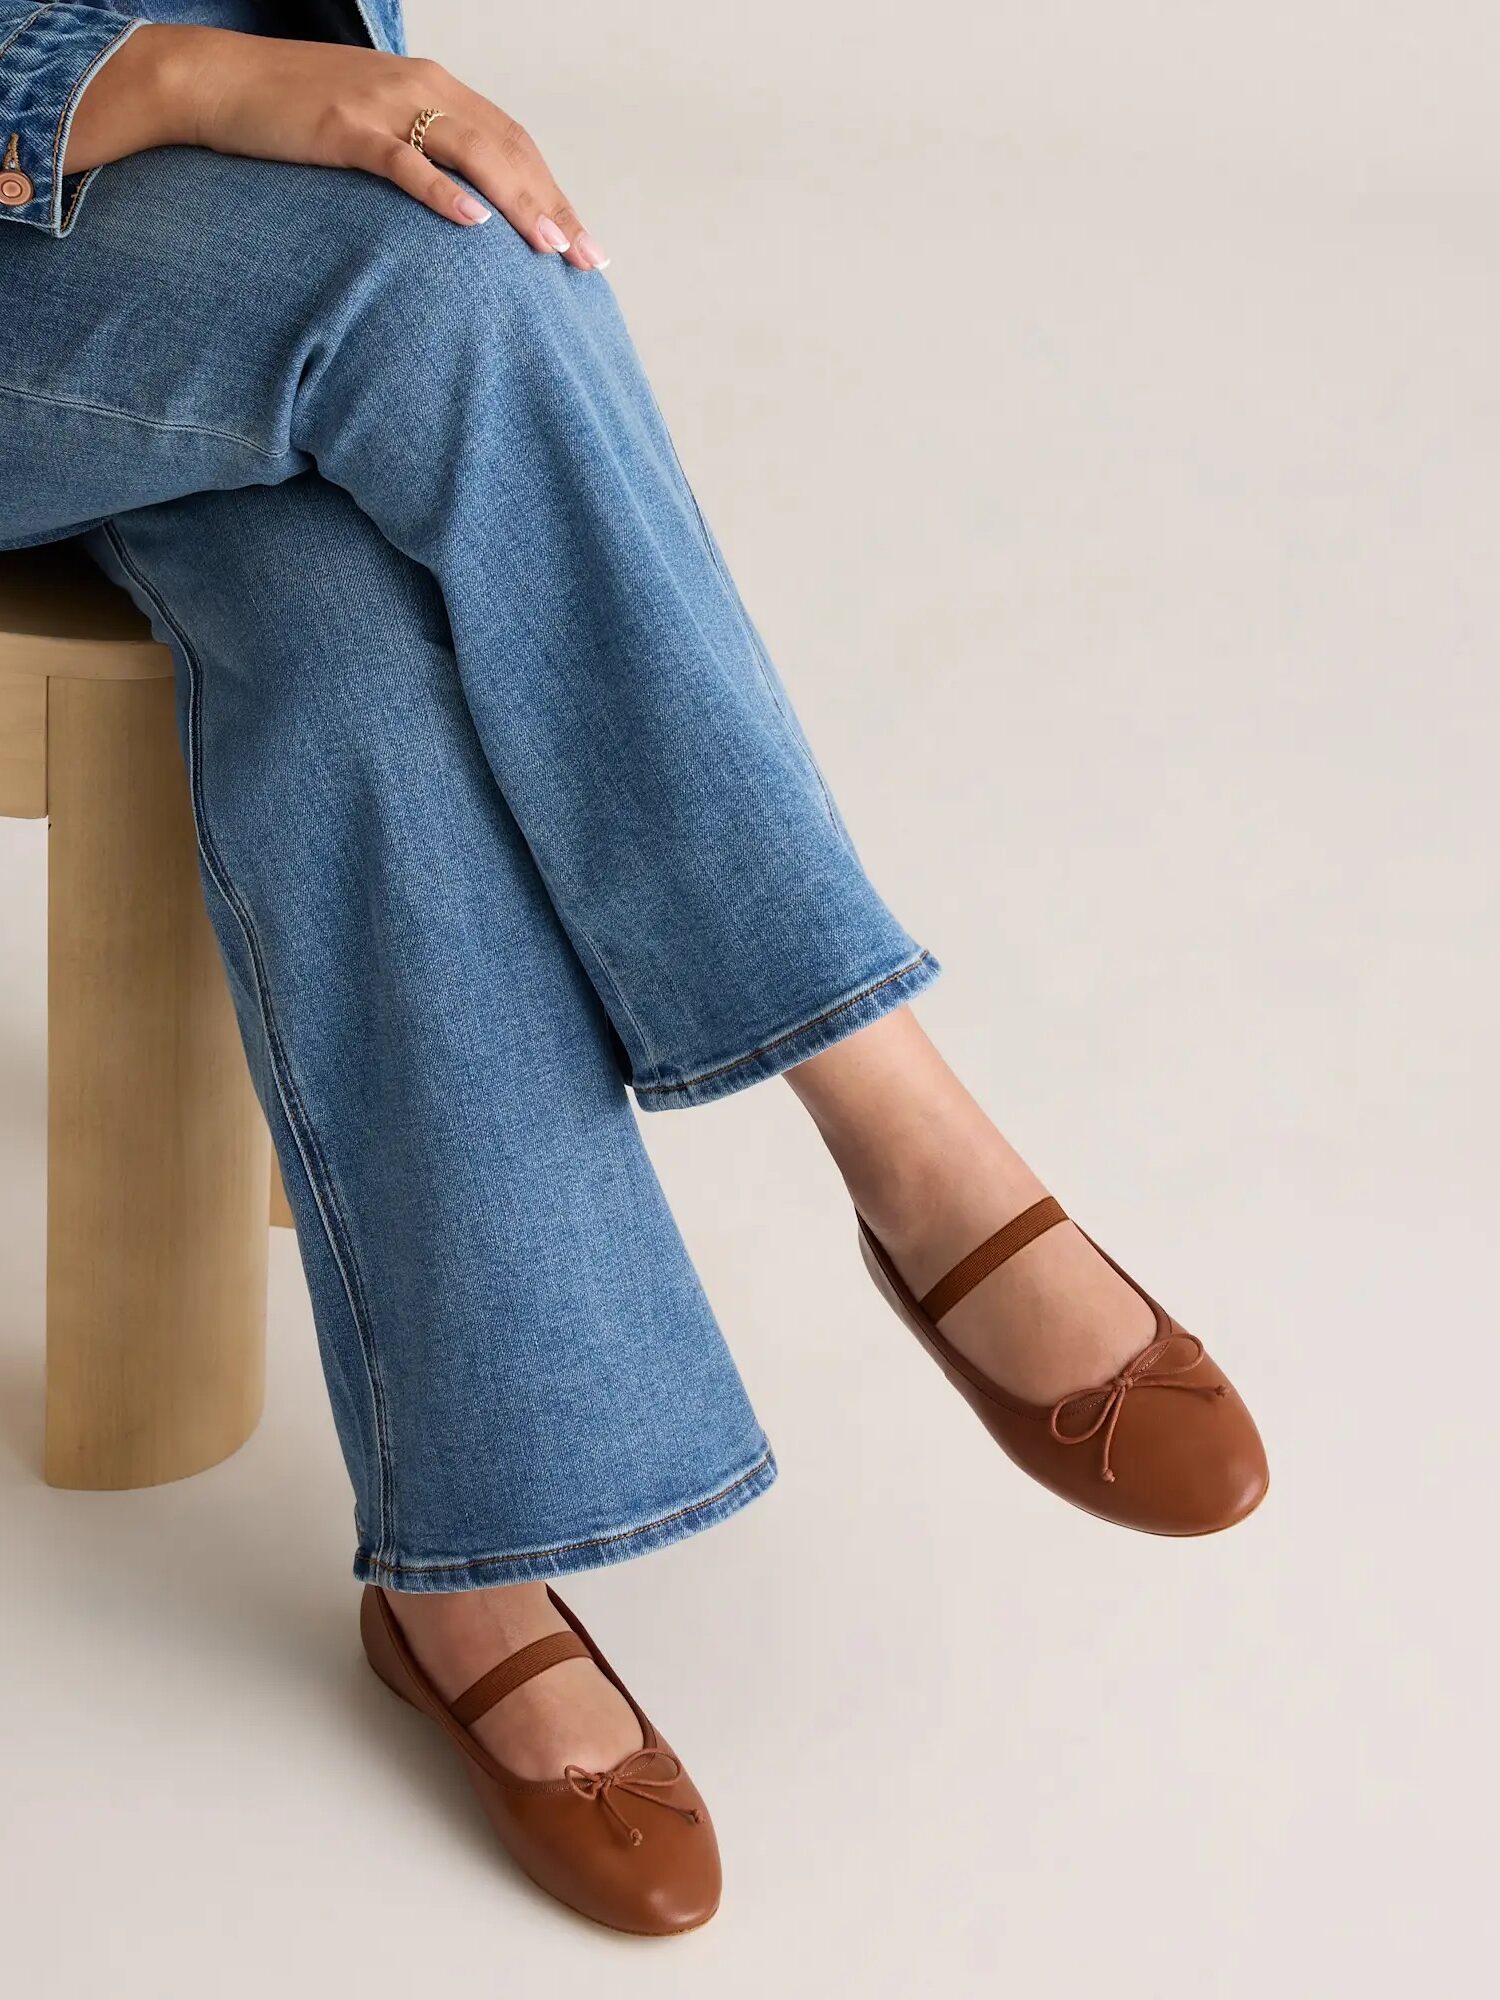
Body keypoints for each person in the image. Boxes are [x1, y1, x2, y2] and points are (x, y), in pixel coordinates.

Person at [0, 0, 1267, 1936]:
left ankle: (468, 1566)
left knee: (358, 657)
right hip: (110, 190)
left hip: (170, 238)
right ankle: (905, 1125)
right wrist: (169, 77)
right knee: (445, 285)